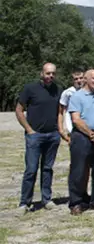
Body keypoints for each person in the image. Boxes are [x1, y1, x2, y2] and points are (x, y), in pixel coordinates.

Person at [16, 63, 62, 212]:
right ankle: (24, 203)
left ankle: (46, 199)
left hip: (53, 135)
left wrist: (59, 130)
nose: (51, 76)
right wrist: (29, 130)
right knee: (31, 169)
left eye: (53, 73)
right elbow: (19, 110)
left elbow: (61, 112)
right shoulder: (30, 88)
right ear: (41, 73)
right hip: (35, 136)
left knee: (47, 169)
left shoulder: (58, 90)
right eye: (48, 73)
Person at [68, 69, 94, 215]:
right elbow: (76, 119)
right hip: (81, 136)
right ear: (85, 79)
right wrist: (90, 134)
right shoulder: (76, 97)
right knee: (79, 170)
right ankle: (77, 202)